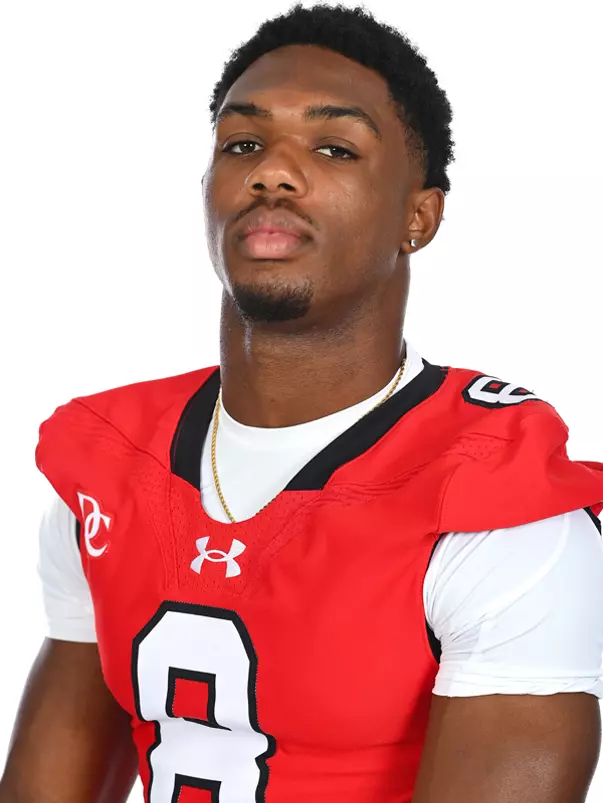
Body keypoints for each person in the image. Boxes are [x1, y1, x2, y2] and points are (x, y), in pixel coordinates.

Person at [2, 4, 603, 802]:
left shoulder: (499, 510)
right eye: (242, 144)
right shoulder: (112, 464)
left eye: (333, 147)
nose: (272, 173)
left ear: (417, 217)